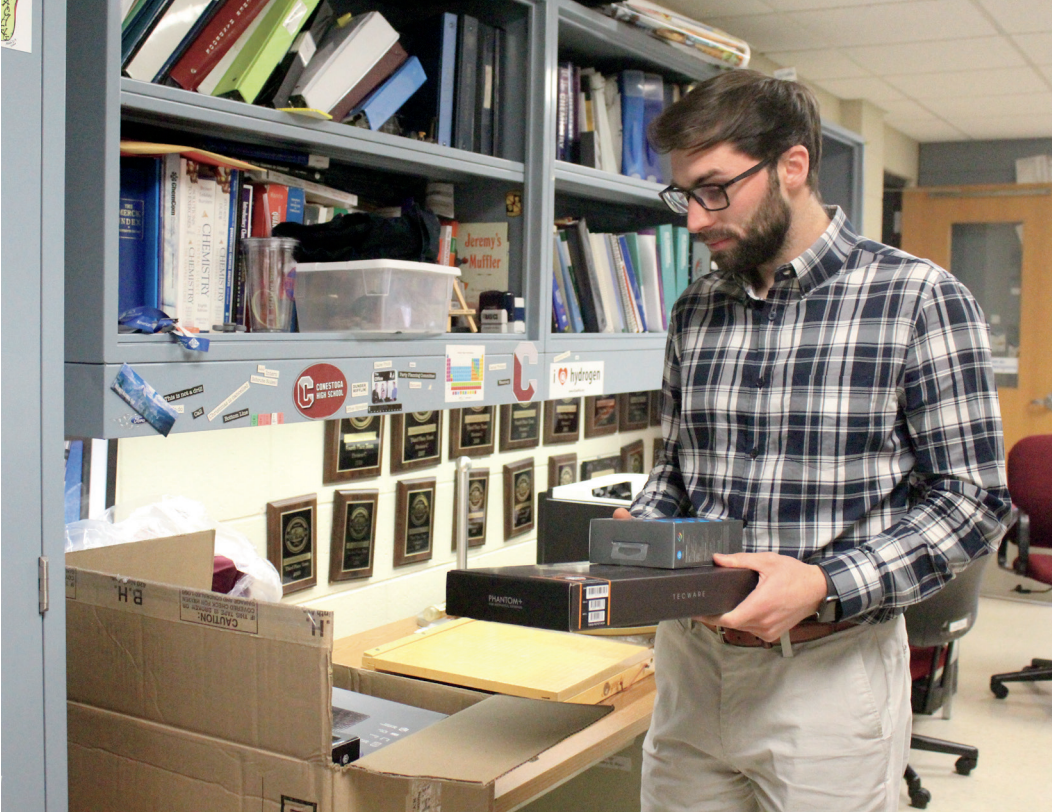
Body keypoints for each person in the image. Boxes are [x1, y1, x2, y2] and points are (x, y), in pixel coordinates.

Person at [615, 69, 1011, 812]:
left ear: (792, 167)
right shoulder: (697, 307)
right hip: (691, 669)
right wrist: (646, 526)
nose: (696, 221)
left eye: (714, 189)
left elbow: (973, 500)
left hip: (830, 674)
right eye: (684, 196)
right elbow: (678, 464)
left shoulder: (919, 299)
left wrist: (826, 586)